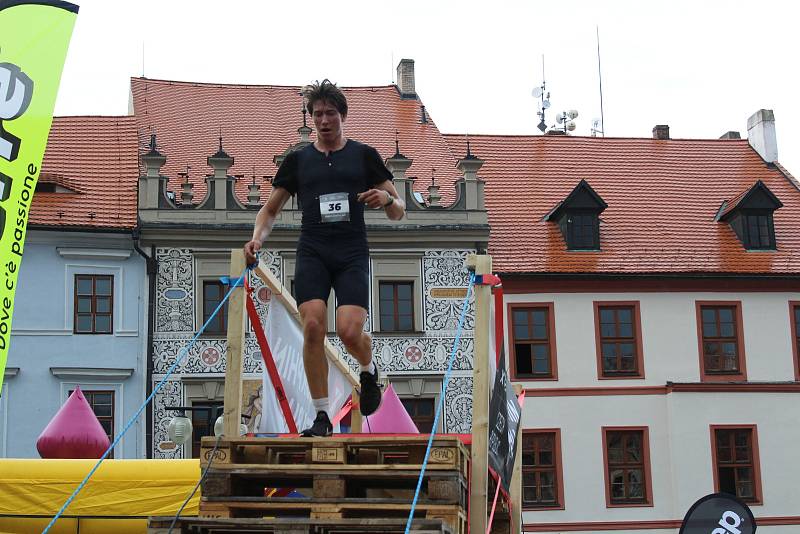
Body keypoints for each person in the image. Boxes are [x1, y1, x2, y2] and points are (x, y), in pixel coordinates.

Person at [244, 79, 405, 437]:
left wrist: (387, 201)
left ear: (342, 115)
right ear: (310, 118)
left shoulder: (363, 155)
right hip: (313, 249)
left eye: (330, 113)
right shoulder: (298, 160)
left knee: (348, 331)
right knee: (313, 326)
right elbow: (269, 210)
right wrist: (257, 240)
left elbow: (400, 210)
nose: (324, 120)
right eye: (317, 114)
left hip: (350, 251)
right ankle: (320, 417)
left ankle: (369, 369)